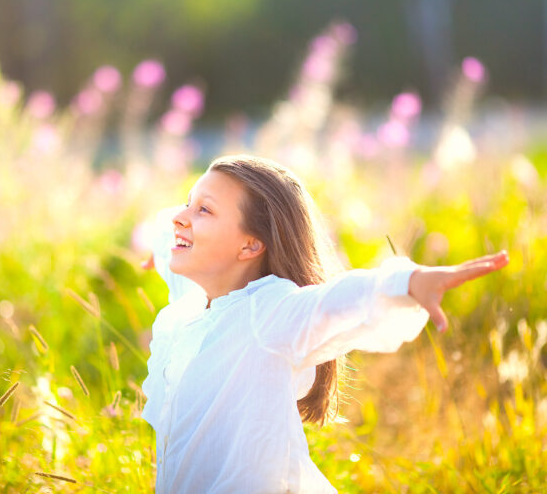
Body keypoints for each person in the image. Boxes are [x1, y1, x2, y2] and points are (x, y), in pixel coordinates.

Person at [138, 155, 509, 493]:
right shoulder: (193, 293)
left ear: (250, 246)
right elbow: (166, 228)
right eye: (189, 201)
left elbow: (336, 302)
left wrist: (408, 284)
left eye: (204, 209)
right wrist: (169, 248)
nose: (181, 216)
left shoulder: (269, 313)